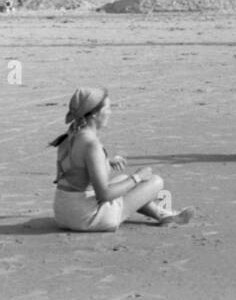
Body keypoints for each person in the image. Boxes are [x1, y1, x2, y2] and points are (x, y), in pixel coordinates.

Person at [51, 87, 194, 231]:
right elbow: (104, 194)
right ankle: (164, 214)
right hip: (84, 217)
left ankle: (163, 215)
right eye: (108, 108)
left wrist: (106, 162)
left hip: (62, 211)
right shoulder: (91, 145)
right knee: (155, 181)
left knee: (123, 179)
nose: (110, 112)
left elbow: (75, 171)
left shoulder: (70, 135)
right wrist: (137, 177)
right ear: (95, 114)